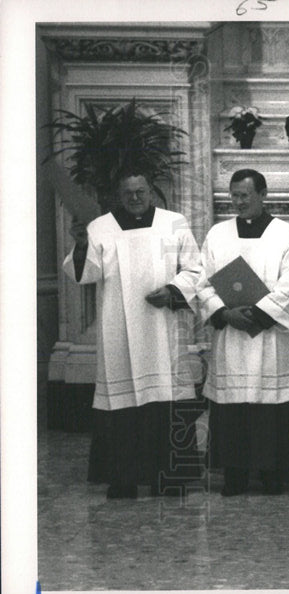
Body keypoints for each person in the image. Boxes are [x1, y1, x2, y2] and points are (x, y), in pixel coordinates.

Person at [62, 172, 201, 499]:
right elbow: (85, 275)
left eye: (141, 191)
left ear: (151, 192)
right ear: (118, 195)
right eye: (128, 193)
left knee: (166, 397)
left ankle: (169, 478)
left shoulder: (174, 222)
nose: (135, 198)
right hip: (119, 331)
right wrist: (81, 244)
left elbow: (196, 268)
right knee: (121, 401)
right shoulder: (100, 228)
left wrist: (172, 290)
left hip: (162, 326)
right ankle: (122, 479)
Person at [197, 169, 289, 496]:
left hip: (268, 336)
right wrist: (225, 313)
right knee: (232, 406)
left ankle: (272, 474)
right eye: (234, 195)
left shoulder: (286, 234)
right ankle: (234, 475)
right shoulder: (217, 234)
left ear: (263, 194)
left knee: (268, 403)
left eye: (245, 195)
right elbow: (201, 282)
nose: (239, 202)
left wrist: (256, 315)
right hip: (230, 333)